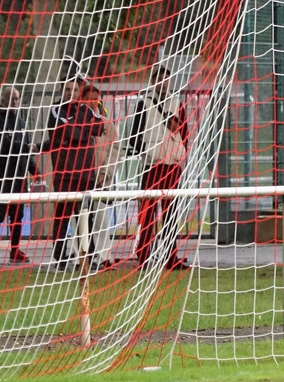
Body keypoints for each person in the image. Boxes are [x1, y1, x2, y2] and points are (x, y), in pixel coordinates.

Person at [127, 65, 189, 270]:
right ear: (153, 81)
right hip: (152, 165)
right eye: (159, 79)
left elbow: (184, 132)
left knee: (171, 214)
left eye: (166, 79)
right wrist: (148, 151)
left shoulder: (177, 103)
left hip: (171, 166)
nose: (163, 83)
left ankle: (171, 256)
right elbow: (134, 135)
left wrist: (179, 151)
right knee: (147, 213)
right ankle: (143, 256)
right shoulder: (144, 103)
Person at [39, 75, 104, 270]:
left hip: (85, 173)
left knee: (86, 217)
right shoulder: (55, 109)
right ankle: (60, 258)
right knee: (62, 216)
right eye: (67, 90)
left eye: (74, 90)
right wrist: (82, 130)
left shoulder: (86, 109)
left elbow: (99, 128)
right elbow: (63, 132)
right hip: (65, 173)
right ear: (62, 91)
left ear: (79, 91)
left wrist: (76, 131)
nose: (71, 93)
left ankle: (89, 257)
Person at [0, 85, 36, 265]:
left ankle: (15, 250)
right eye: (12, 98)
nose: (15, 102)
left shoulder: (21, 123)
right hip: (2, 177)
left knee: (17, 215)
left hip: (19, 177)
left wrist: (34, 169)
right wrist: (24, 148)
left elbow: (26, 150)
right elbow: (3, 144)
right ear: (3, 101)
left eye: (17, 98)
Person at [83, 83, 123, 271]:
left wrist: (104, 173)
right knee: (80, 218)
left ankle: (104, 256)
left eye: (95, 98)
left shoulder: (107, 125)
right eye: (88, 98)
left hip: (101, 179)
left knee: (101, 218)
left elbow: (115, 151)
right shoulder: (77, 122)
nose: (92, 102)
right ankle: (80, 256)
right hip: (82, 179)